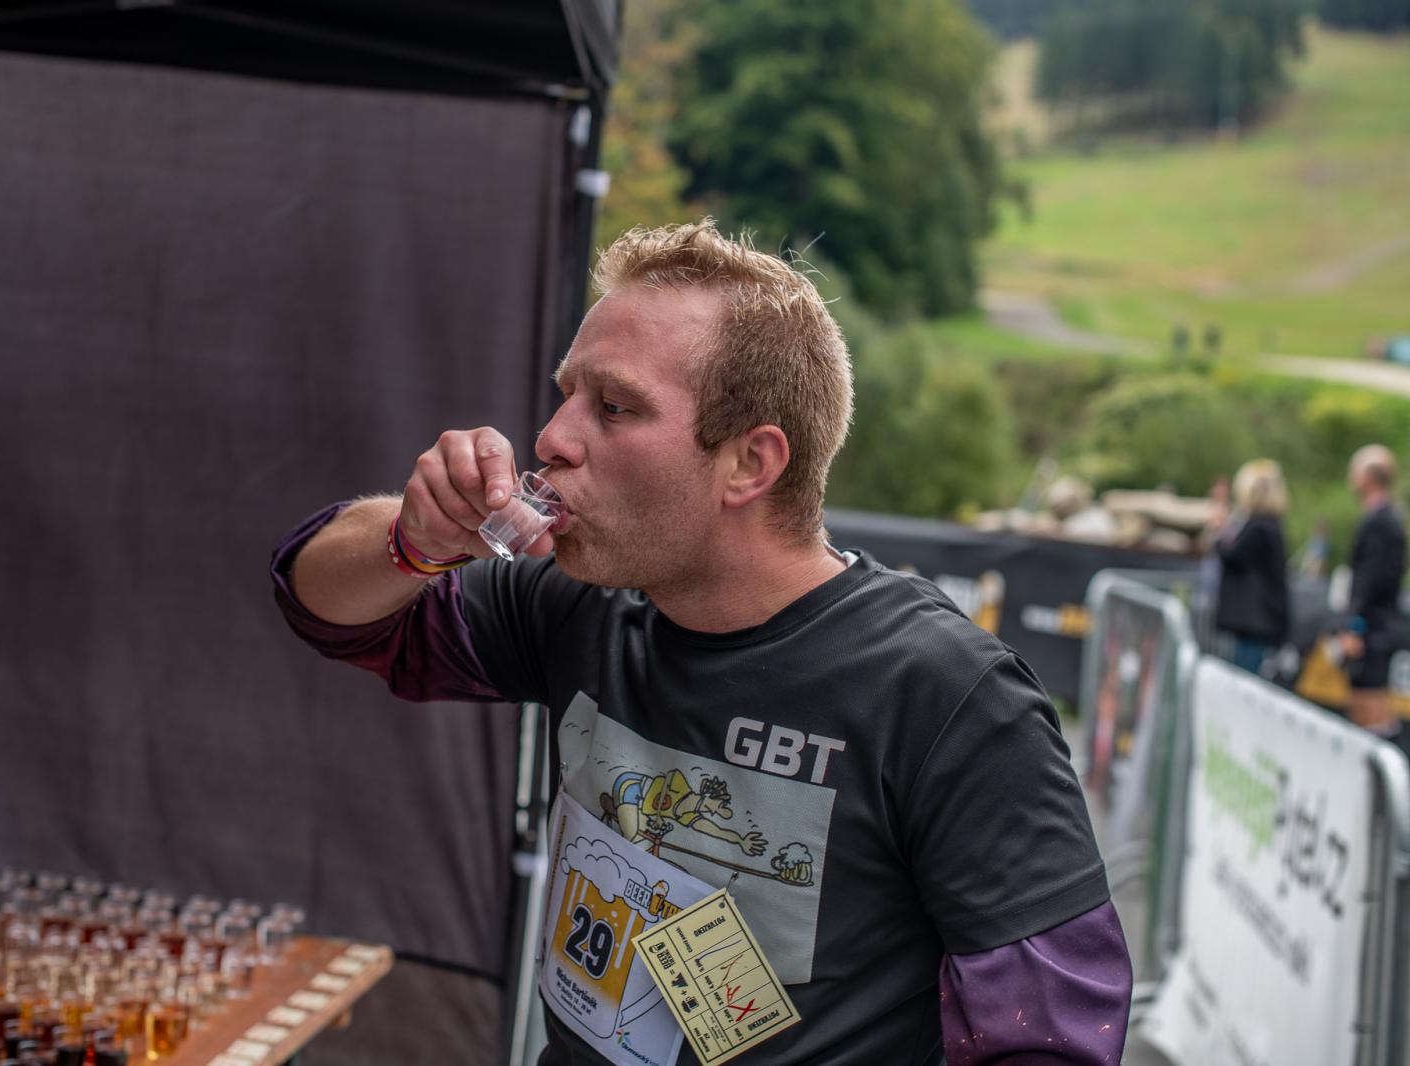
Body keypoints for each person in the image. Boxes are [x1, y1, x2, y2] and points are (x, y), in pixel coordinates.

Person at [271, 221, 1131, 1066]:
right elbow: (324, 604)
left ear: (750, 465)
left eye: (613, 406)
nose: (552, 438)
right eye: (565, 392)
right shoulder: (584, 600)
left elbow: (1050, 1037)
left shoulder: (944, 694)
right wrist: (417, 541)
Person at [1338, 444, 1407, 742]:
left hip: (1374, 630)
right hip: (1376, 626)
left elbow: (1371, 580)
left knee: (1370, 706)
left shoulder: (1381, 521)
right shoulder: (1386, 518)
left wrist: (1355, 626)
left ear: (1369, 476)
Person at [1209, 459, 1290, 676]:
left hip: (1255, 621)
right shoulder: (1268, 524)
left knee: (1245, 679)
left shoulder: (1260, 526)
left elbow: (1232, 555)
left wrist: (1219, 533)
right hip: (1258, 620)